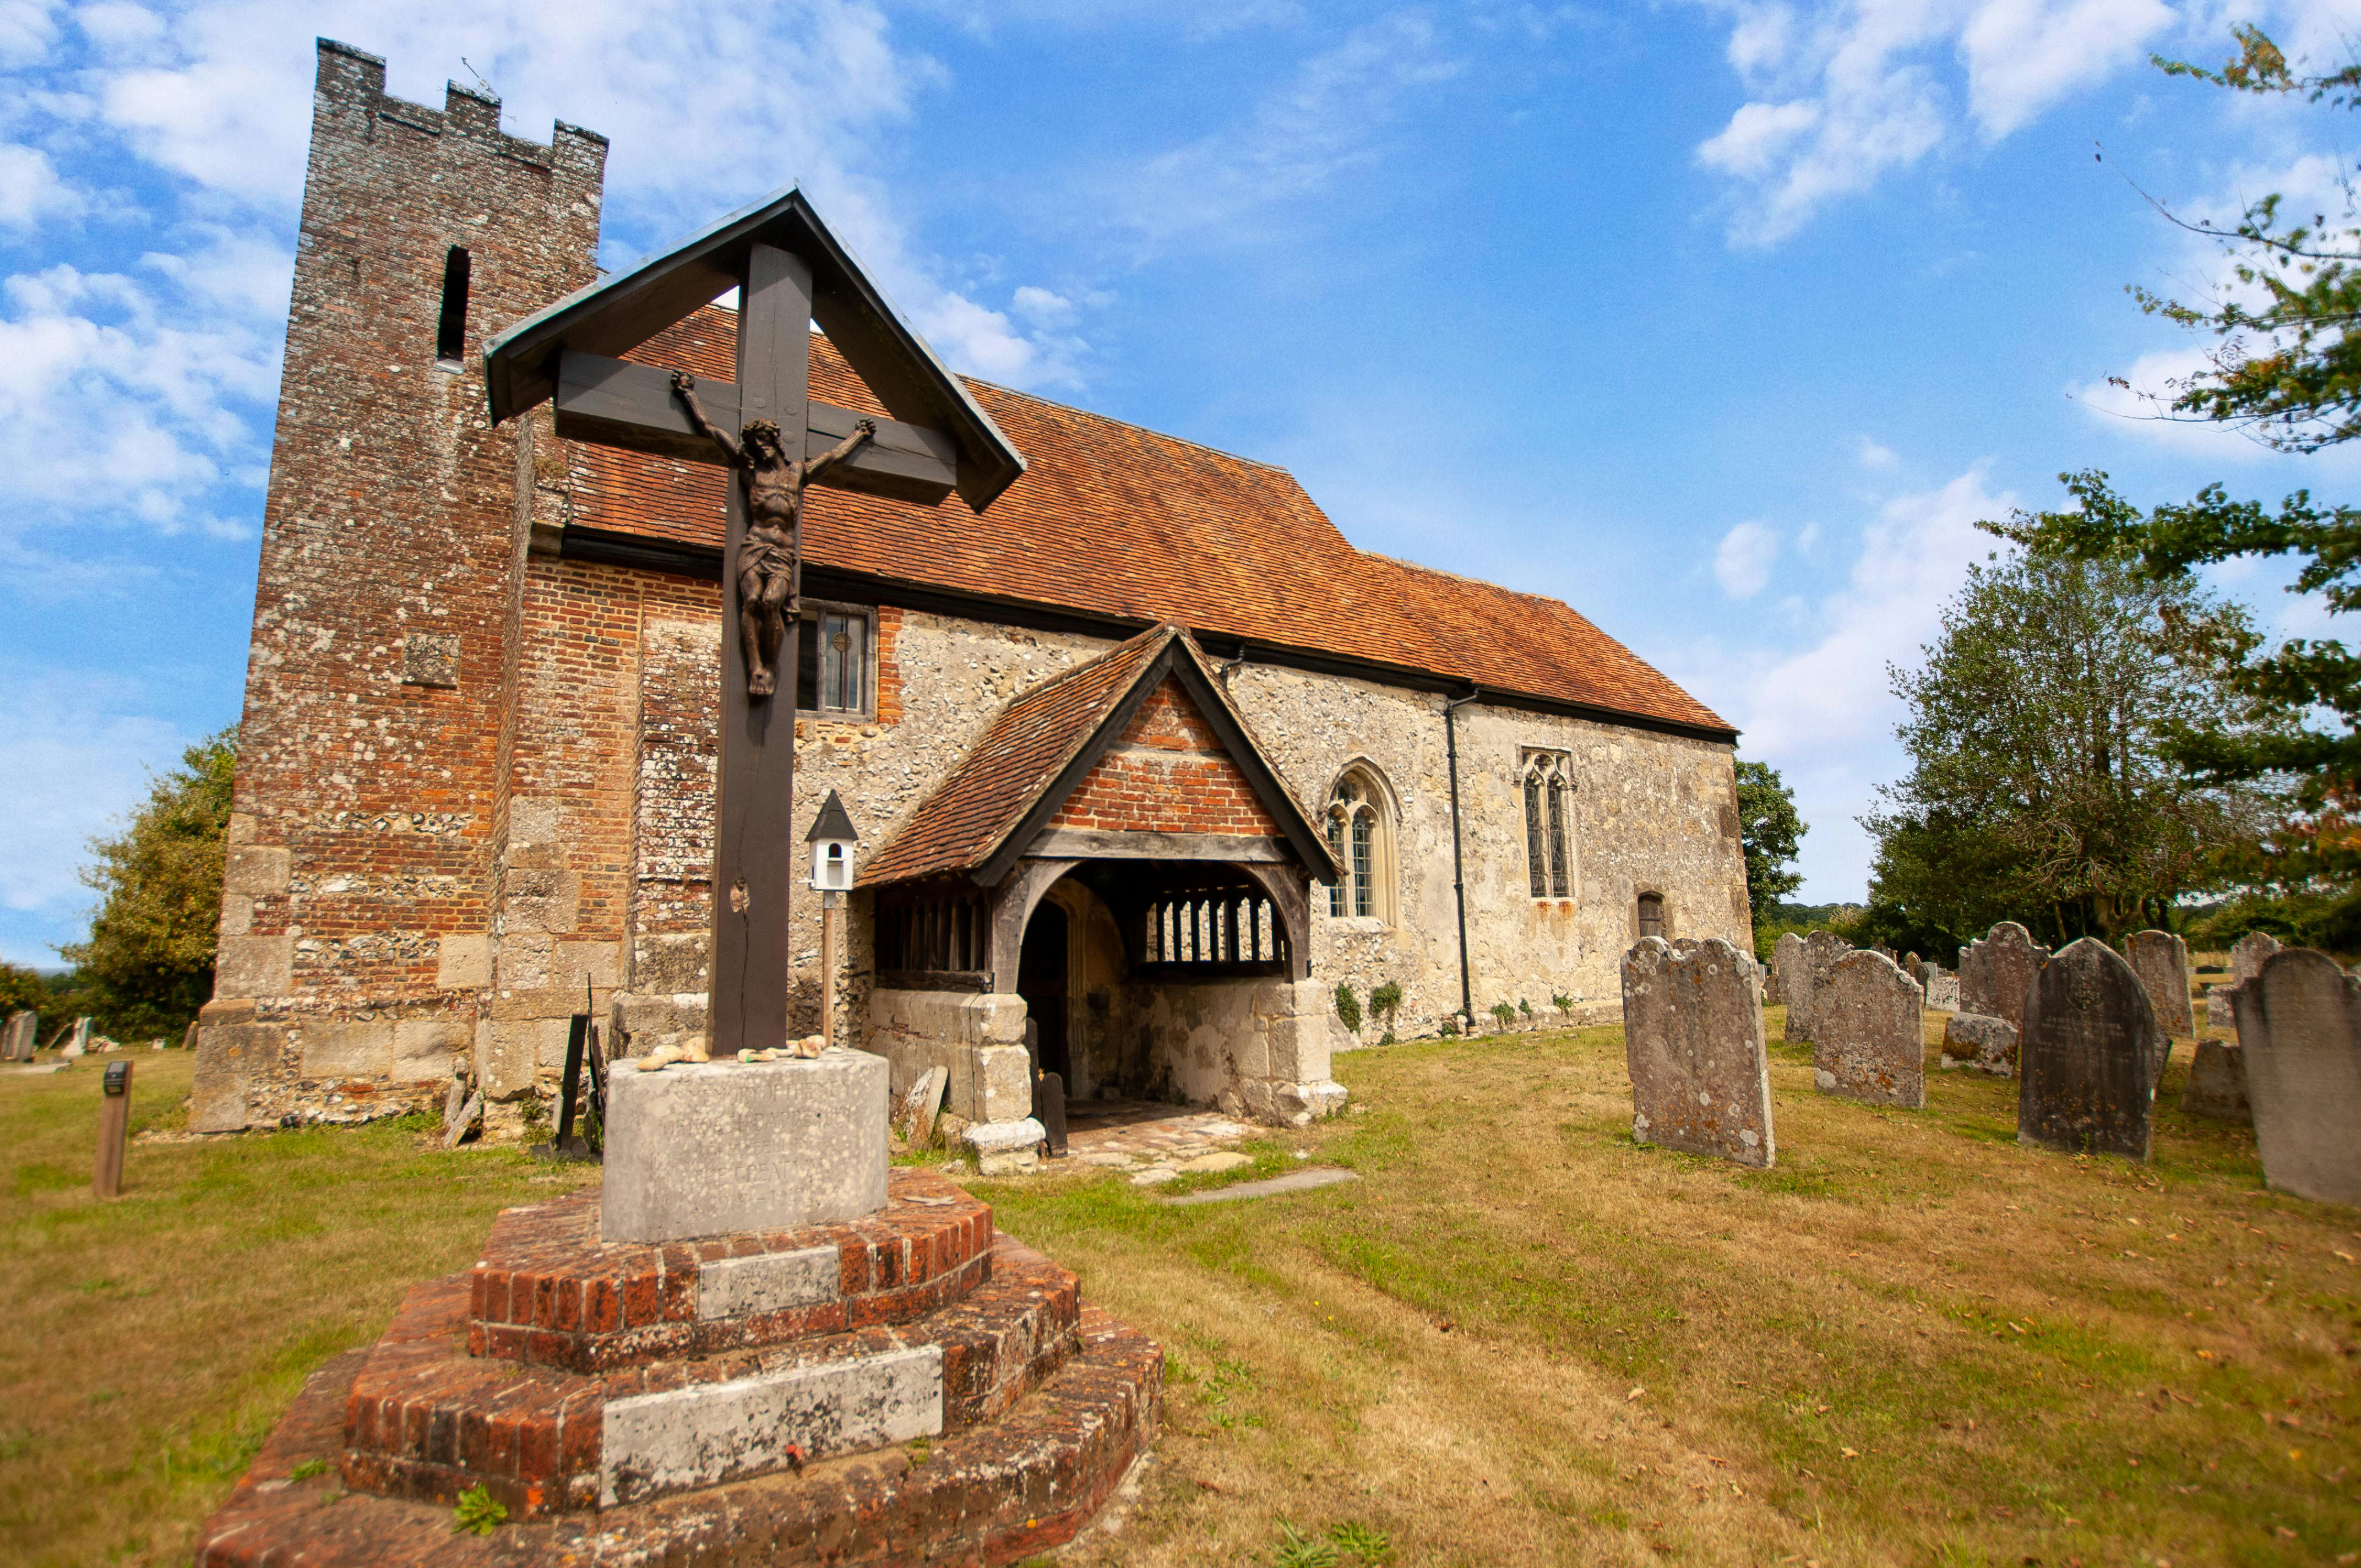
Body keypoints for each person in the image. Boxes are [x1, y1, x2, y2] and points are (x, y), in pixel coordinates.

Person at [672, 369, 875, 698]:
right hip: (755, 546)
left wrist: (859, 435)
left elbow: (834, 457)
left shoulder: (797, 474)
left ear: (776, 441)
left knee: (771, 603)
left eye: (765, 441)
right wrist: (688, 394)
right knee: (752, 600)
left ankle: (772, 666)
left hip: (783, 553)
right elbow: (711, 430)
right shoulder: (750, 472)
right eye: (755, 443)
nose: (761, 447)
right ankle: (755, 666)